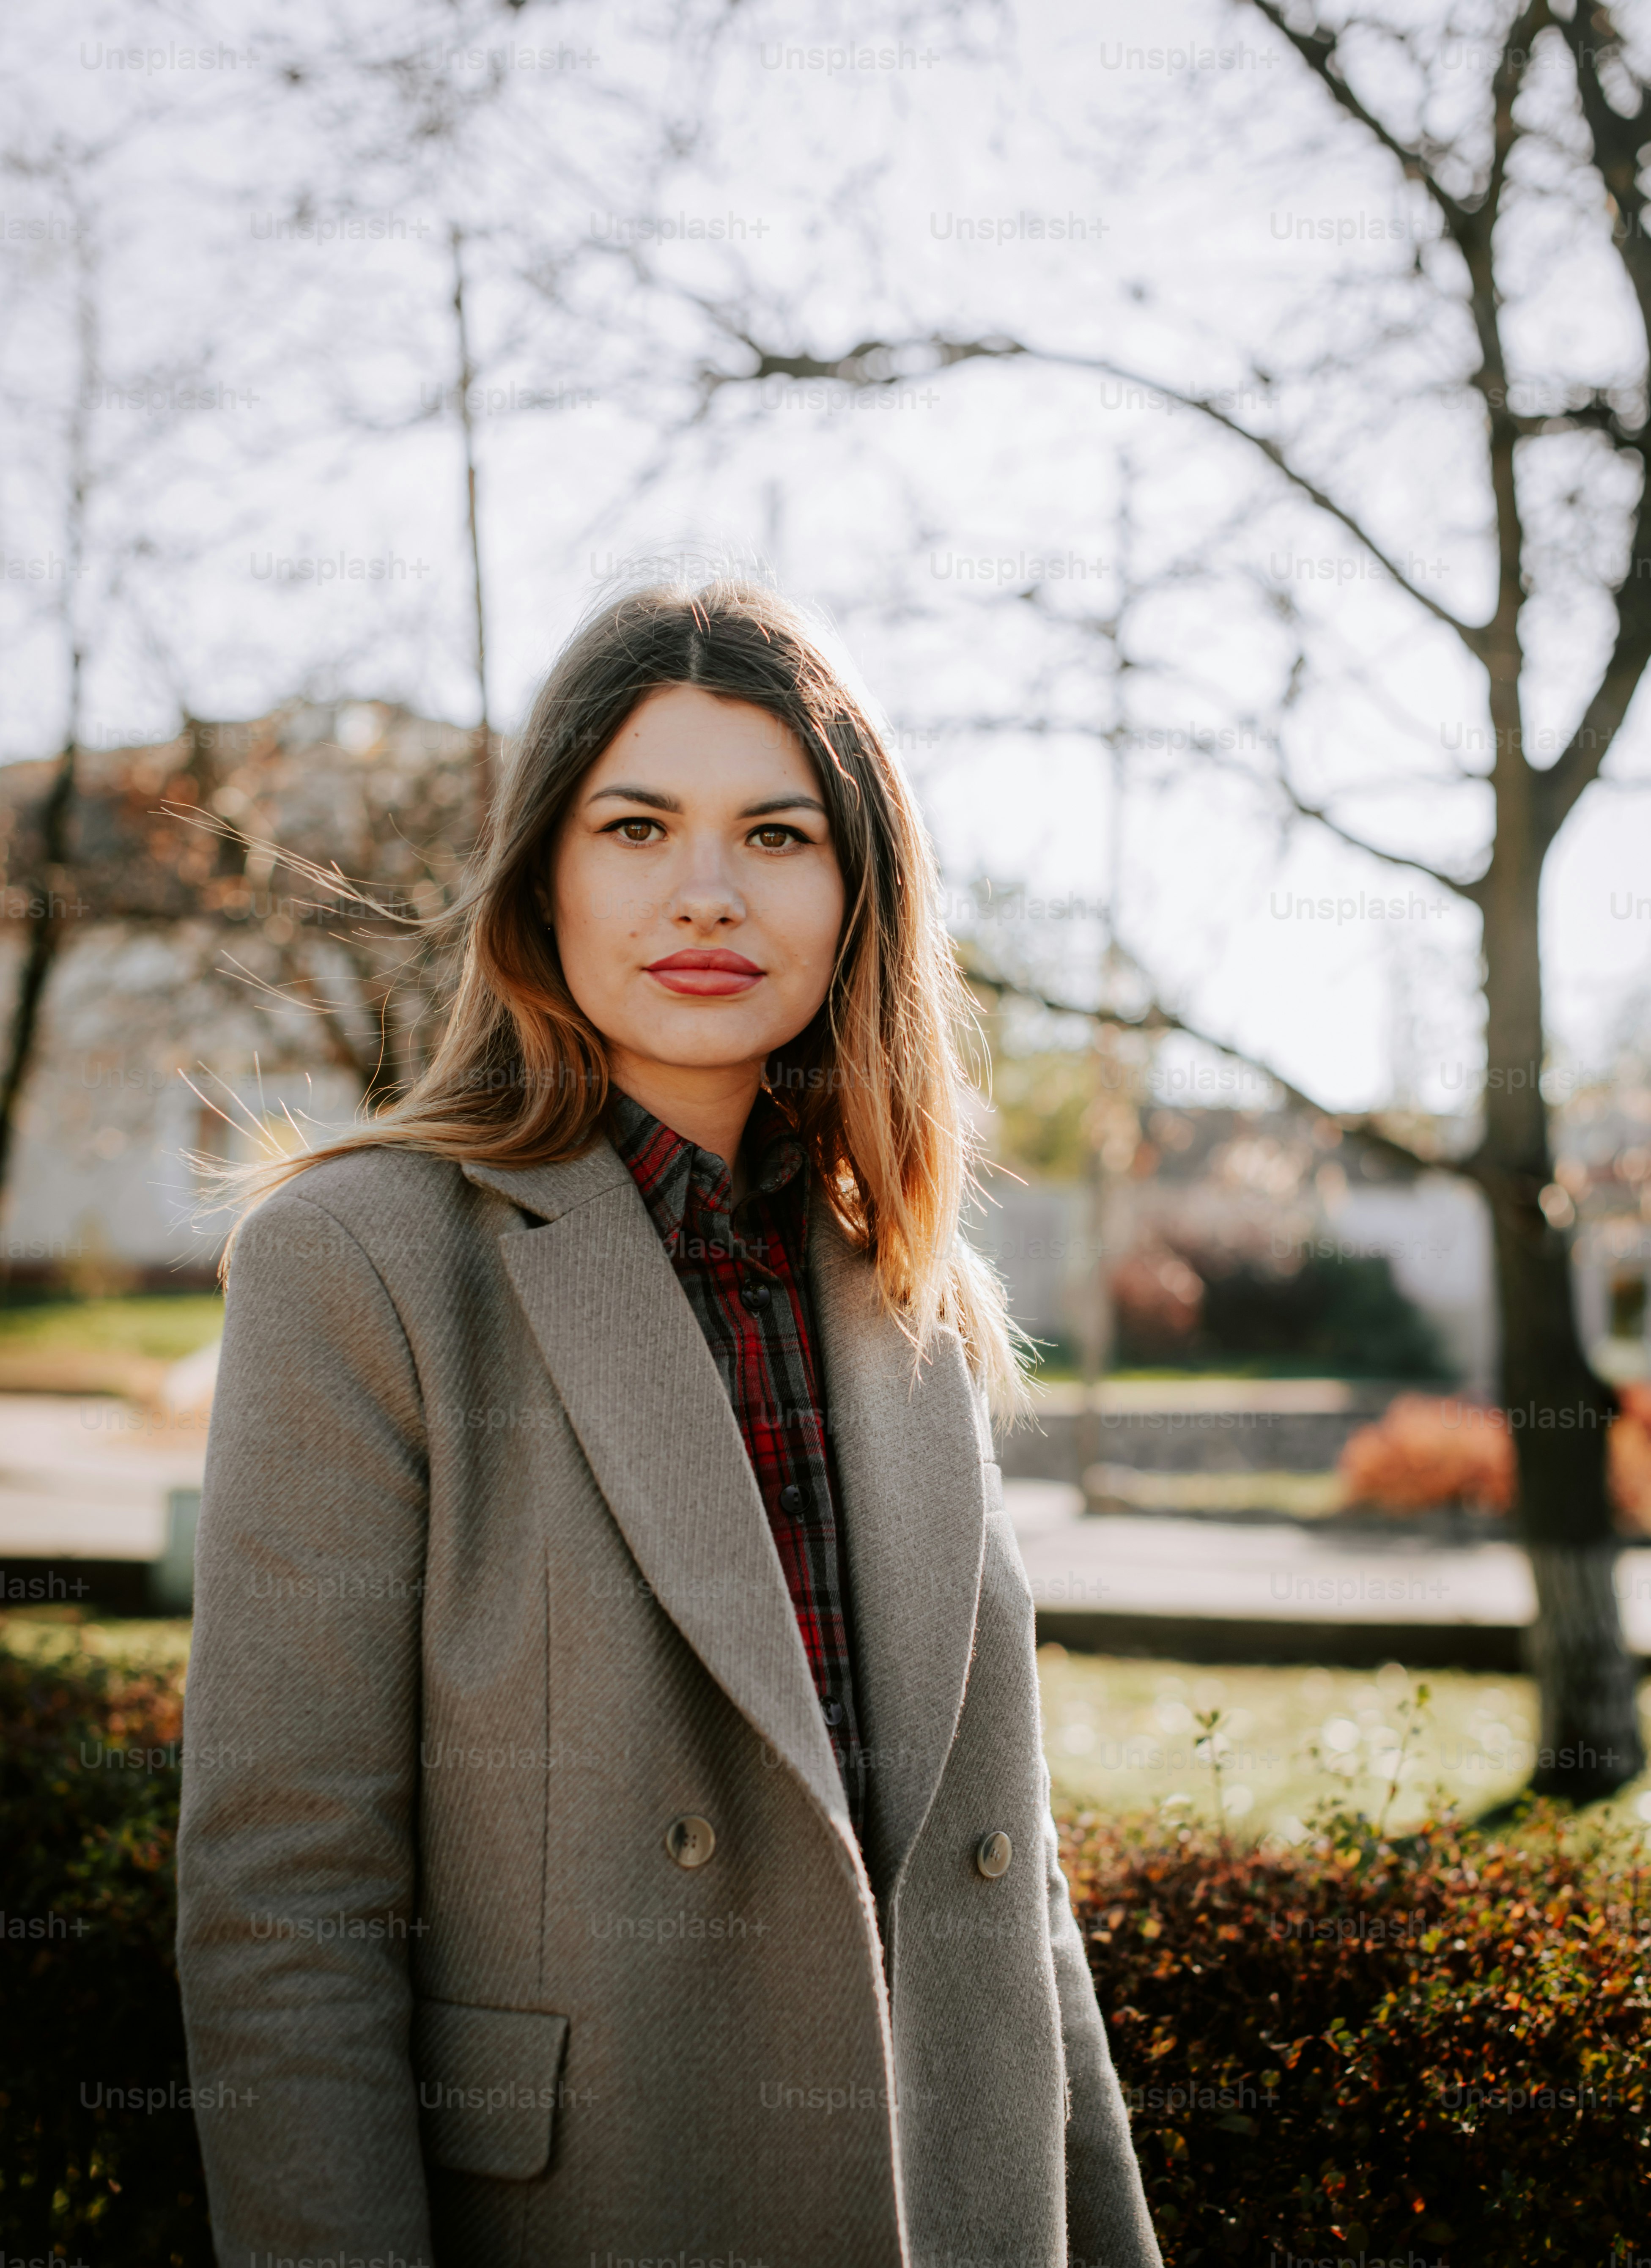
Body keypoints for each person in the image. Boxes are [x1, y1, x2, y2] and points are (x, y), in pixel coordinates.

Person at [176, 578, 1161, 2268]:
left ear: (860, 893)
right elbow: (286, 1908)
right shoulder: (363, 1263)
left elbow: (1005, 1890)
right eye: (637, 825)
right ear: (546, 872)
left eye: (778, 834)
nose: (706, 893)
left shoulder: (910, 1291)